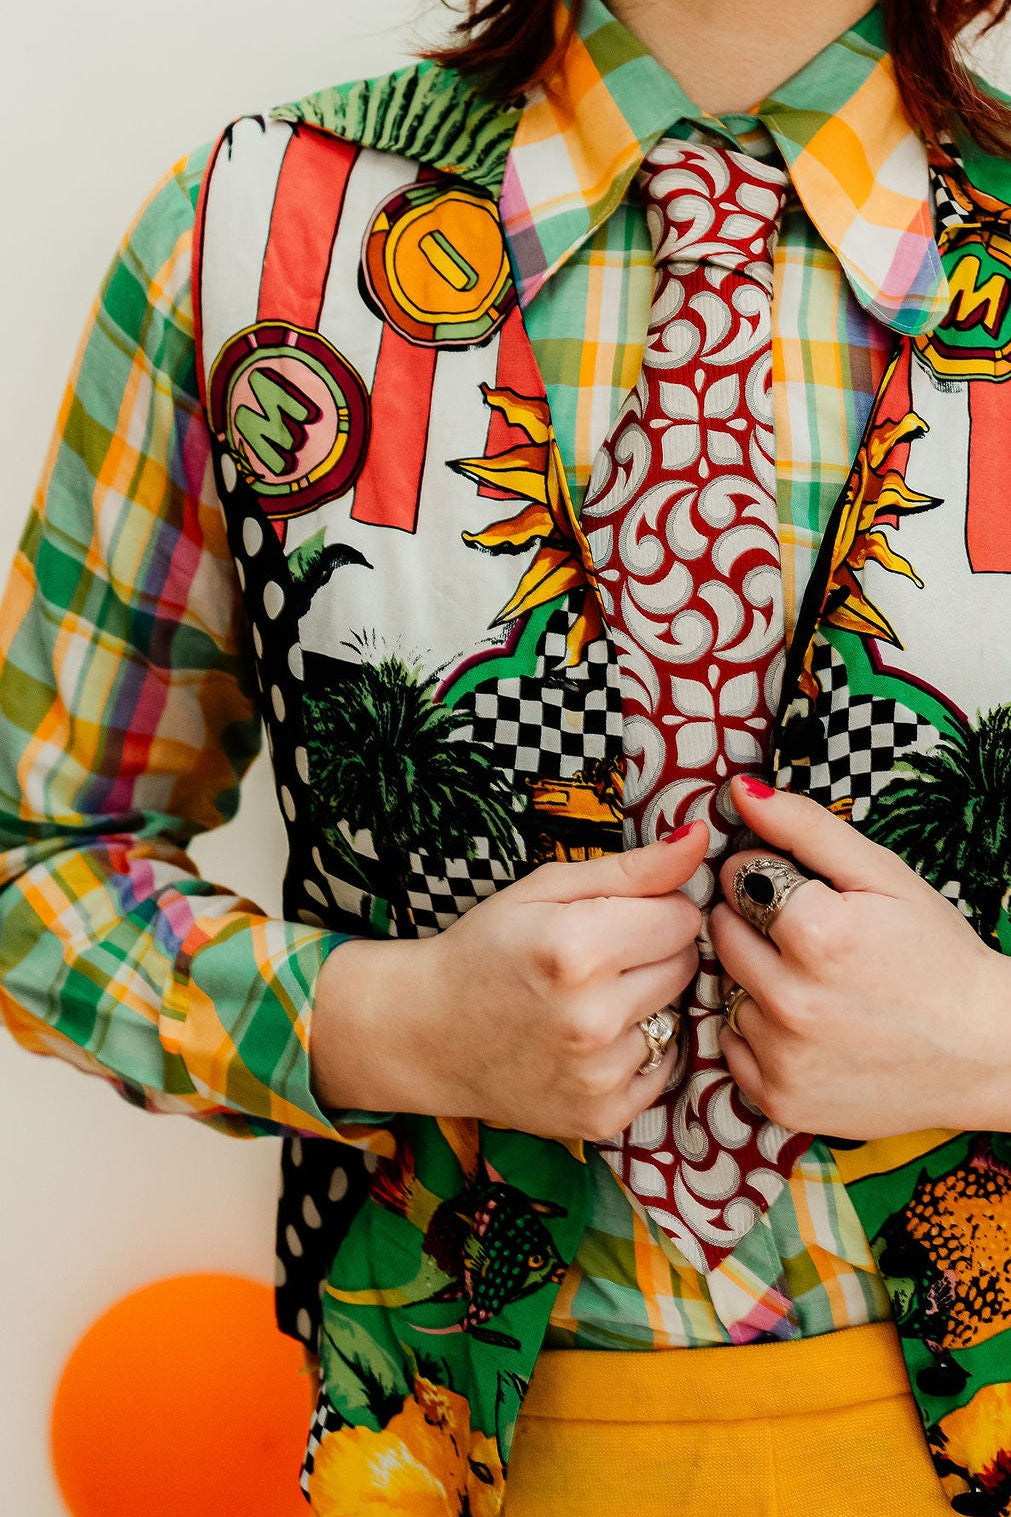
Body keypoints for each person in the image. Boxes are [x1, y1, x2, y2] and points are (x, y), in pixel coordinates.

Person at [3, 0, 1011, 1510]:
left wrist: (993, 1035)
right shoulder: (256, 238)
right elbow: (34, 856)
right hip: (438, 1449)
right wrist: (386, 1022)